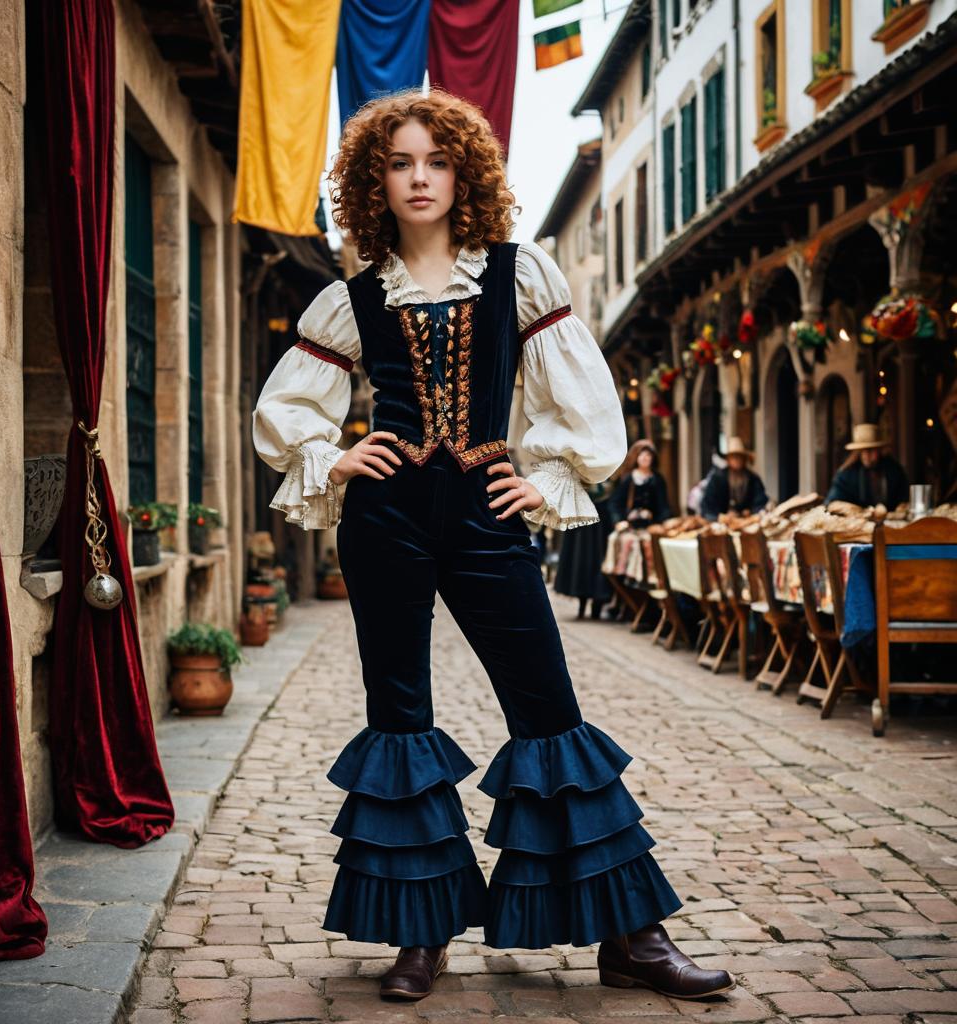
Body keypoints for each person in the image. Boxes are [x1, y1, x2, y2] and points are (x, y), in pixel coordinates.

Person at [252, 89, 734, 1004]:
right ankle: (417, 935)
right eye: (398, 162)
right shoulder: (351, 298)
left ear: (463, 170)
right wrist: (338, 454)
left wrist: (547, 477)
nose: (419, 176)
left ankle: (632, 937)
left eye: (435, 159)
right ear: (374, 180)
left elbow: (577, 402)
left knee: (548, 707)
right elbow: (285, 413)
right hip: (385, 520)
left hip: (486, 515)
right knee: (400, 714)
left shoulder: (520, 276)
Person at [553, 473, 616, 620]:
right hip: (581, 524)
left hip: (602, 525)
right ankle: (581, 605)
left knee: (599, 563)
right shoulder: (579, 473)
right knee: (580, 562)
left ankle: (597, 607)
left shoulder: (609, 476)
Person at [826, 423, 909, 510]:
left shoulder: (894, 470)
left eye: (871, 450)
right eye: (863, 451)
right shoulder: (846, 474)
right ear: (858, 452)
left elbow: (904, 498)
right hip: (856, 521)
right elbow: (832, 503)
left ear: (880, 450)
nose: (866, 455)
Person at [700, 437, 769, 520]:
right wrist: (720, 517)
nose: (736, 460)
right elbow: (707, 507)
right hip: (721, 525)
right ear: (728, 459)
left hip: (748, 523)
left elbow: (761, 503)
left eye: (739, 457)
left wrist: (751, 512)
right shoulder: (717, 479)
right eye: (733, 457)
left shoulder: (753, 479)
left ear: (744, 459)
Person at [610, 439, 673, 527]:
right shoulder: (627, 478)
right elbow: (615, 503)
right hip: (629, 525)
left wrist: (661, 520)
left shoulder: (657, 479)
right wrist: (619, 521)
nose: (644, 458)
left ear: (652, 457)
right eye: (641, 454)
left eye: (648, 455)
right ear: (636, 457)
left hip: (652, 525)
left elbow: (663, 505)